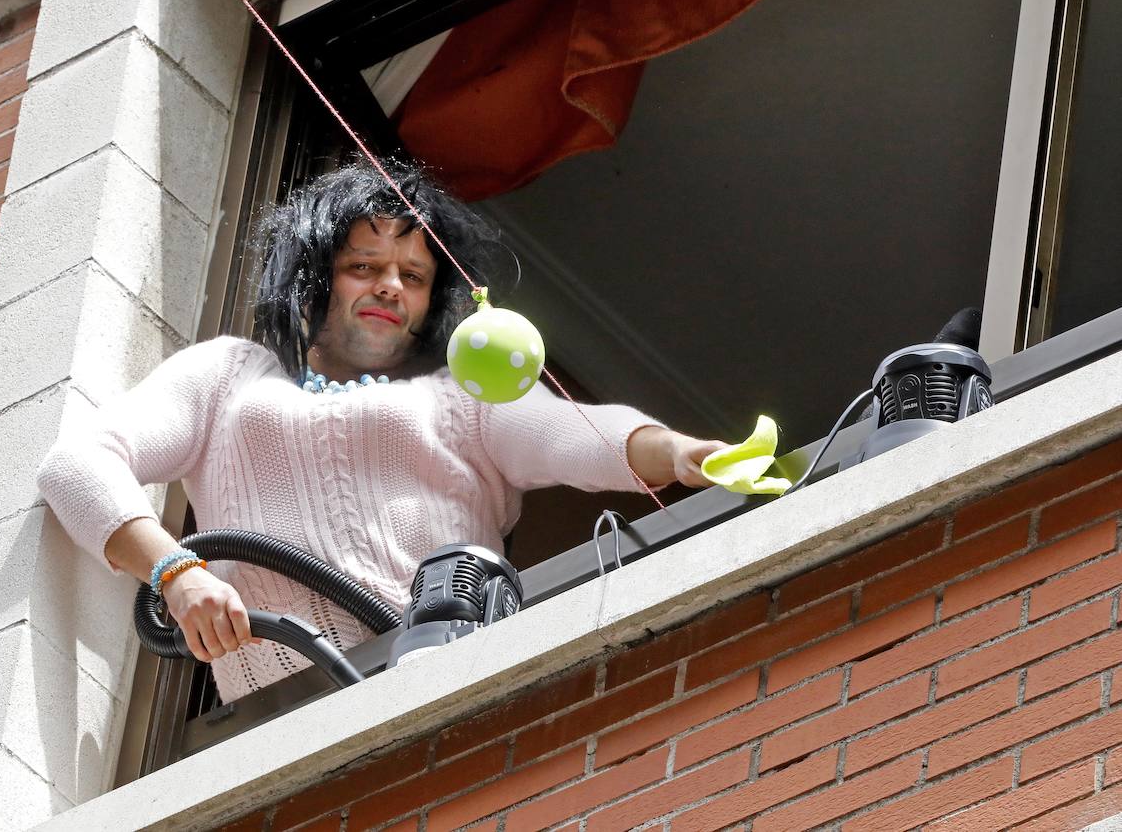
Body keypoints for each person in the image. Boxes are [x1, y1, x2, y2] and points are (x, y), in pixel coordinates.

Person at [36, 162, 727, 703]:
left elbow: (575, 432)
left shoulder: (462, 395)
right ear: (313, 281)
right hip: (271, 723)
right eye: (363, 266)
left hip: (448, 682)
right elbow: (77, 466)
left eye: (414, 275)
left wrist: (677, 452)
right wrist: (176, 571)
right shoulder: (228, 377)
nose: (390, 286)